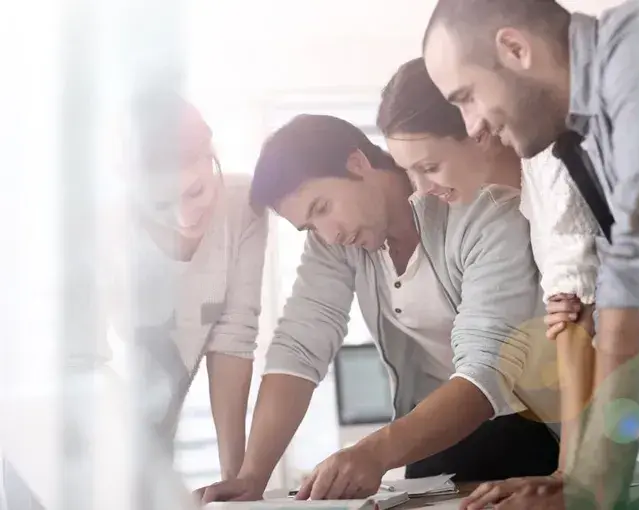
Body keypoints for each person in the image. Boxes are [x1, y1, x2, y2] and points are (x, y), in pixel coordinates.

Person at [422, 0, 639, 508]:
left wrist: (592, 484)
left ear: (515, 48)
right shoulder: (589, 137)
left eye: (466, 97)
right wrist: (578, 476)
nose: (472, 126)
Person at [196, 113, 560, 503]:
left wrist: (373, 451)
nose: (329, 234)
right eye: (310, 226)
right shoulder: (339, 242)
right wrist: (252, 476)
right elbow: (299, 346)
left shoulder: (484, 213)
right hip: (430, 437)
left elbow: (488, 368)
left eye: (322, 207)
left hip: (532, 428)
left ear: (357, 163)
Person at [376, 55, 600, 485]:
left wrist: (570, 477)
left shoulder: (552, 169)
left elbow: (578, 328)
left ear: (475, 128)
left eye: (430, 167)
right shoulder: (526, 197)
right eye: (410, 172)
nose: (421, 189)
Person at [118, 89, 269, 477]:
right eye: (160, 205)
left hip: (156, 447)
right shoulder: (101, 231)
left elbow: (234, 337)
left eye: (195, 191)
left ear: (210, 153)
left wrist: (236, 482)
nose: (185, 219)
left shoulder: (242, 206)